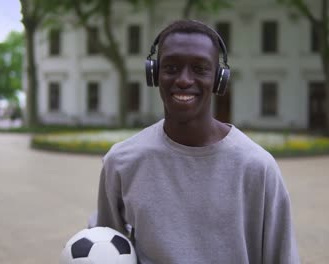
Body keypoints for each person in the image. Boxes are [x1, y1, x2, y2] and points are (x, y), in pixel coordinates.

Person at [96, 20, 299, 263]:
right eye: (171, 67)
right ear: (154, 73)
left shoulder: (258, 168)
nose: (183, 79)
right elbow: (104, 249)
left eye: (199, 68)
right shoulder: (120, 162)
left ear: (219, 78)